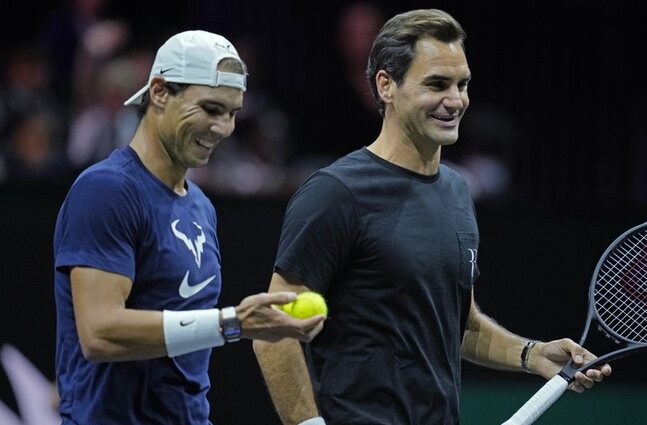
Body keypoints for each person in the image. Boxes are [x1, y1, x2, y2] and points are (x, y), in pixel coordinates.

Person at [253, 9, 611, 425]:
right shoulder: (335, 193)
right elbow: (272, 329)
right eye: (437, 84)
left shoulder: (457, 192)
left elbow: (462, 325)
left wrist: (532, 354)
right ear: (386, 85)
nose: (456, 100)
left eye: (462, 84)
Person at [53, 30, 326, 424]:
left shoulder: (200, 206)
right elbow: (100, 332)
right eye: (211, 109)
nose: (223, 127)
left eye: (232, 113)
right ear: (160, 92)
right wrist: (232, 323)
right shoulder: (105, 190)